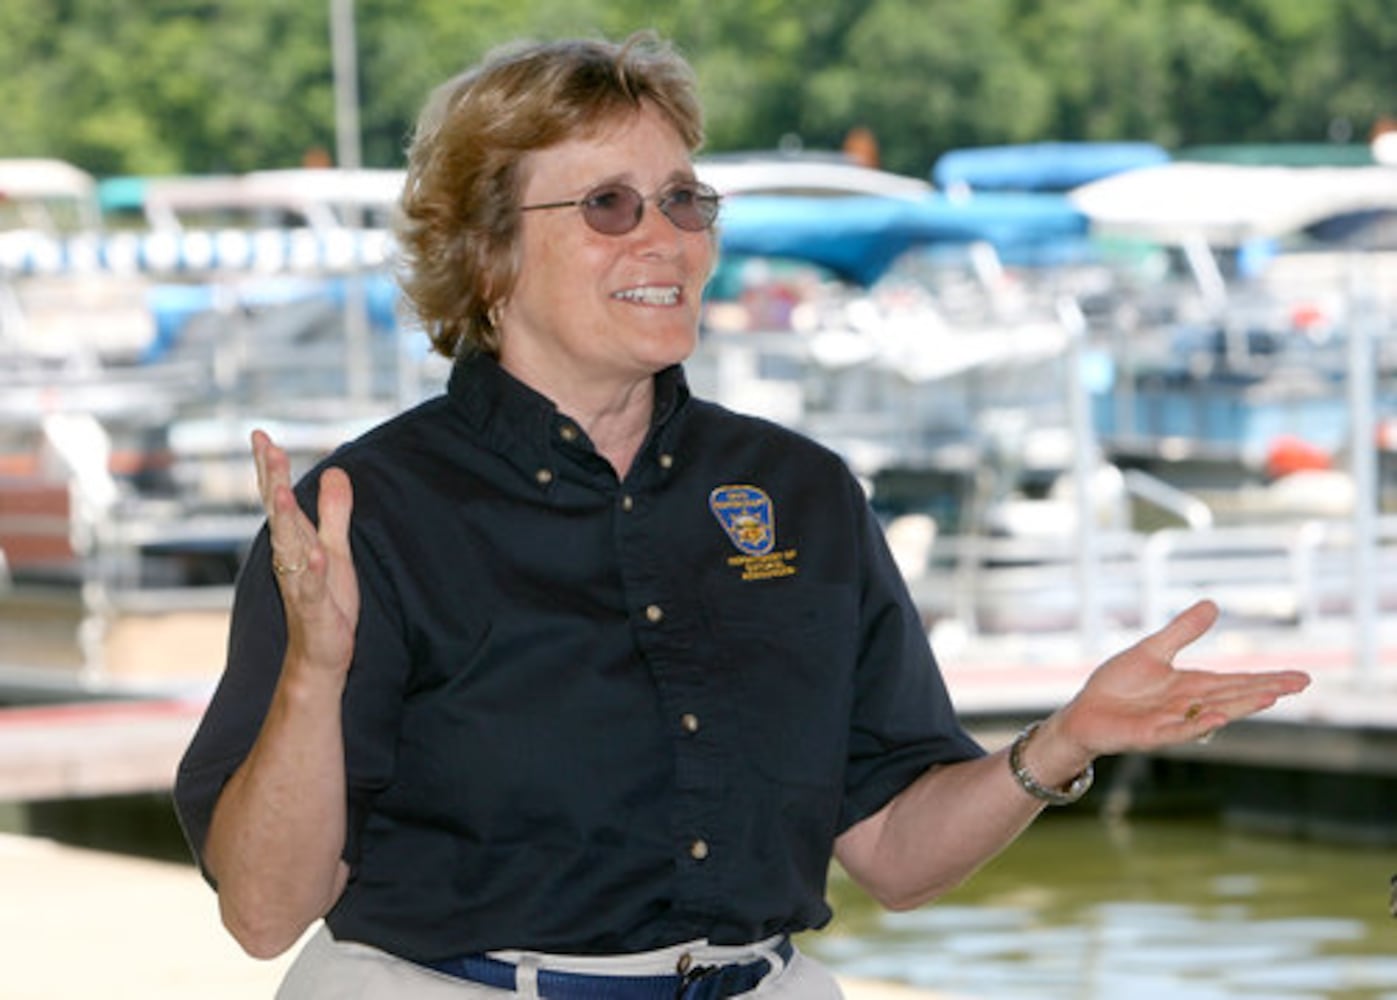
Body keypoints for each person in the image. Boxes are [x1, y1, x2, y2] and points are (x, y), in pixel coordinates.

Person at [173, 31, 1311, 1000]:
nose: (663, 237)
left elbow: (894, 856)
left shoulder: (804, 495)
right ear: (487, 256)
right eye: (608, 206)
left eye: (684, 199)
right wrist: (314, 673)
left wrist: (1061, 742)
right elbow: (268, 915)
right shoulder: (362, 517)